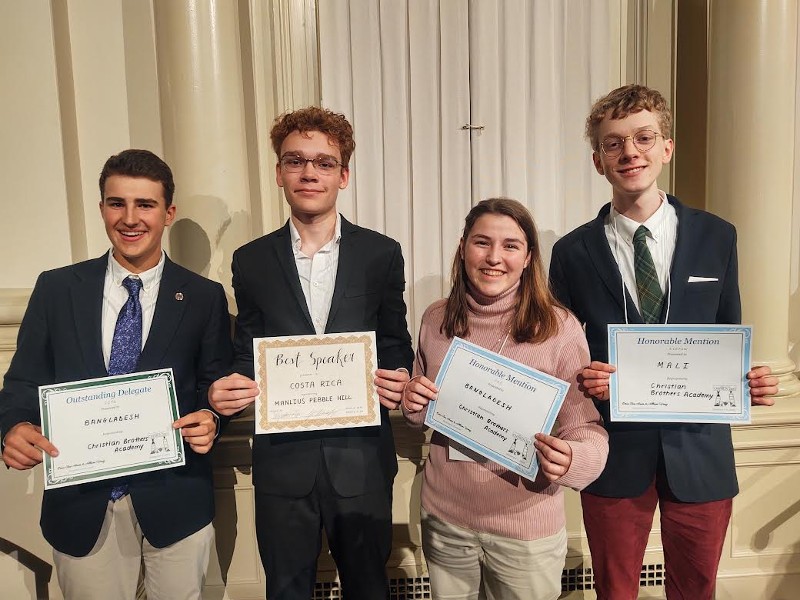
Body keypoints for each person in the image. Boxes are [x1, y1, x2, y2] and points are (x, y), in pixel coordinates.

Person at [548, 84, 778, 600]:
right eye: (614, 144)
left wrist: (749, 382)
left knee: (696, 588)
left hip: (700, 448)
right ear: (597, 160)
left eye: (644, 138)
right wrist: (585, 380)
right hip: (614, 451)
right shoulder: (571, 252)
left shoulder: (718, 236)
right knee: (616, 589)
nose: (630, 152)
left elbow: (726, 335)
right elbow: (561, 354)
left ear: (666, 148)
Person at [0, 149, 233, 600]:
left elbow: (213, 386)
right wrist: (13, 425)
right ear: (102, 207)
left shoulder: (204, 297)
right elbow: (23, 382)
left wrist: (212, 420)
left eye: (145, 204)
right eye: (116, 203)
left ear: (168, 213)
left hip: (176, 500)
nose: (130, 218)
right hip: (82, 505)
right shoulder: (56, 288)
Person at [207, 107, 414, 599]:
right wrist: (229, 384)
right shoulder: (251, 260)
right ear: (279, 172)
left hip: (360, 458)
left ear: (343, 174)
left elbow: (393, 339)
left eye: (323, 162)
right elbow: (249, 349)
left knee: (368, 587)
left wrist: (399, 373)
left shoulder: (380, 253)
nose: (308, 173)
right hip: (283, 458)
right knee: (286, 588)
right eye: (295, 161)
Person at [401, 198, 609, 600]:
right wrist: (412, 400)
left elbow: (586, 429)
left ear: (529, 257)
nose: (494, 257)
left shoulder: (559, 328)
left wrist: (572, 459)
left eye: (511, 245)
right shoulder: (435, 319)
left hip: (524, 530)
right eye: (482, 242)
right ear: (462, 248)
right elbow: (421, 411)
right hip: (446, 522)